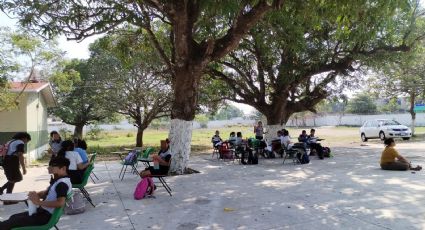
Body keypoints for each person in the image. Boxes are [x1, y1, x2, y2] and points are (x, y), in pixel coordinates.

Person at [0, 157, 72, 229]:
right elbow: (47, 193)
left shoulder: (62, 184)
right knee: (13, 217)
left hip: (44, 218)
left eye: (53, 165)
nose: (49, 168)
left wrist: (38, 202)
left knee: (7, 224)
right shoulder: (59, 180)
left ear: (63, 168)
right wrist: (35, 194)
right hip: (42, 214)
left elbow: (60, 203)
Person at [0, 132, 31, 197]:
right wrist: (24, 168)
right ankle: (7, 199)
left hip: (6, 161)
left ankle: (2, 191)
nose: (26, 143)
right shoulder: (20, 142)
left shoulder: (10, 141)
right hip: (12, 161)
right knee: (13, 179)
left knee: (15, 178)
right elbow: (20, 155)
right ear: (24, 138)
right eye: (27, 141)